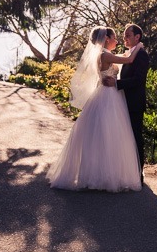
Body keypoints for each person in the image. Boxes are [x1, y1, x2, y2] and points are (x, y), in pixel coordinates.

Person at [47, 26, 143, 192]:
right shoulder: (104, 54)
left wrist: (130, 52)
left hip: (108, 95)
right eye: (114, 38)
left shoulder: (105, 54)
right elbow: (128, 60)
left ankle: (99, 173)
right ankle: (103, 176)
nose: (118, 40)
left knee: (102, 136)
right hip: (108, 97)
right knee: (107, 136)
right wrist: (139, 47)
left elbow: (123, 57)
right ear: (106, 39)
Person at [102, 23, 149, 185]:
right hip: (121, 103)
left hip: (134, 103)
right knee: (125, 139)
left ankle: (138, 175)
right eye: (123, 35)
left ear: (137, 37)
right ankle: (125, 172)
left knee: (136, 138)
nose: (124, 38)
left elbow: (138, 80)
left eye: (128, 35)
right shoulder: (129, 53)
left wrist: (116, 84)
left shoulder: (141, 55)